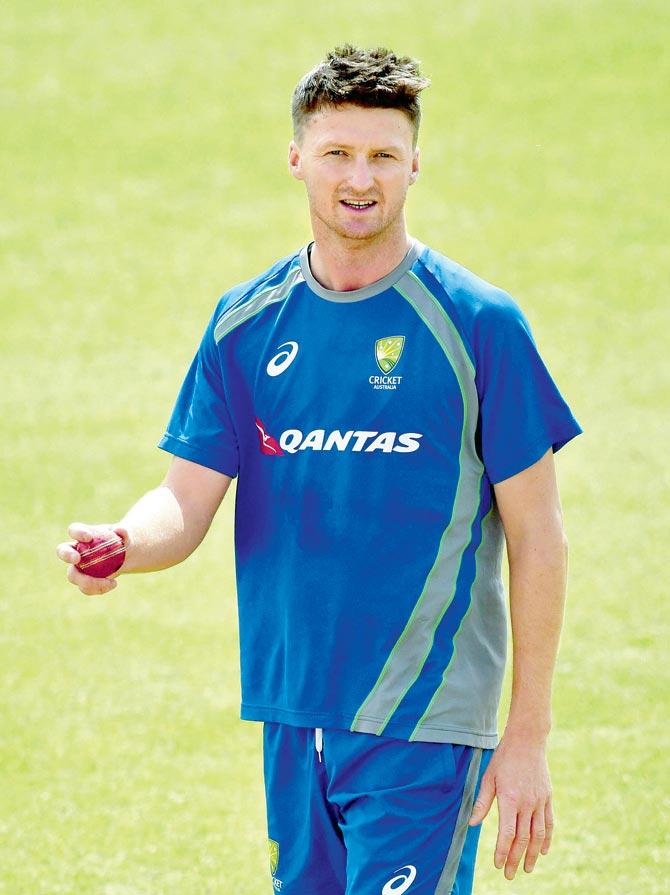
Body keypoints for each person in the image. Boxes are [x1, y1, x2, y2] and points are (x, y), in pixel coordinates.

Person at [57, 44, 582, 895]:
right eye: (338, 152)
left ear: (416, 162)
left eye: (382, 154)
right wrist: (123, 540)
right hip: (292, 711)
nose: (360, 177)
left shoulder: (480, 325)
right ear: (297, 157)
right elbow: (183, 501)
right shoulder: (245, 323)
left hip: (425, 719)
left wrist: (527, 736)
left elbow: (539, 535)